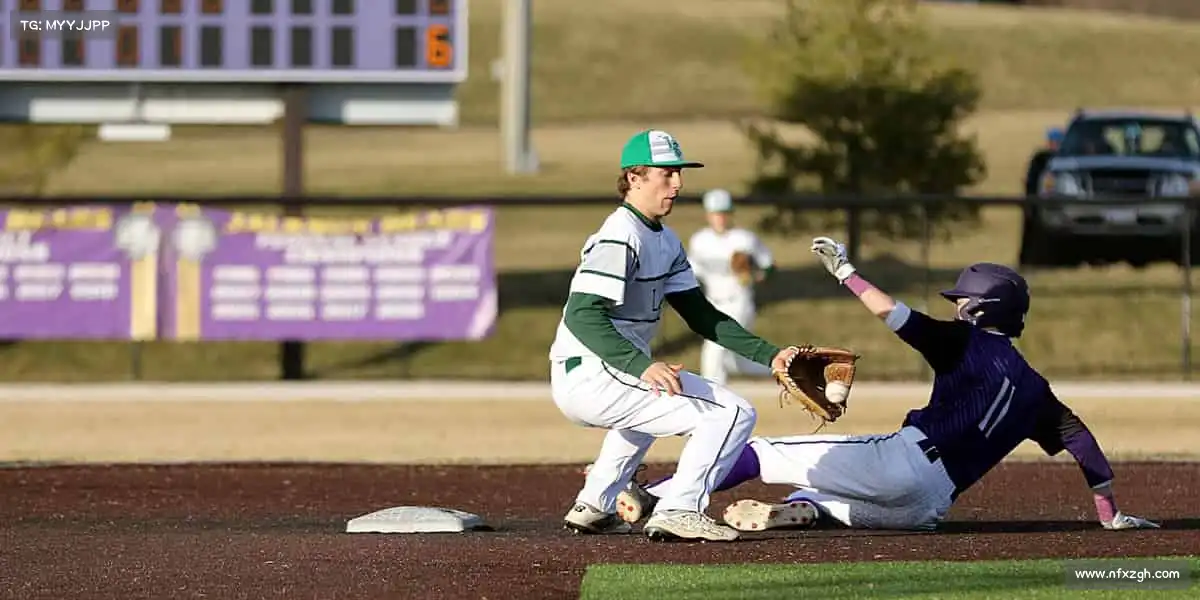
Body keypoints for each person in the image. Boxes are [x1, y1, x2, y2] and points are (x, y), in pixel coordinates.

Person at [614, 236, 1161, 532]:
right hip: (930, 507)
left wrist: (845, 273)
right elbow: (1079, 439)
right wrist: (1108, 512)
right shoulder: (1037, 390)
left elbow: (895, 315)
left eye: (963, 300)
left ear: (980, 308)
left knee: (758, 453)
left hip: (905, 461)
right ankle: (806, 509)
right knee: (822, 494)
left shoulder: (964, 342)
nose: (958, 305)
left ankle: (652, 495)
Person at [548, 129, 807, 542]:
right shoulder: (621, 235)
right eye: (666, 174)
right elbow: (582, 316)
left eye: (679, 173)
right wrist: (643, 366)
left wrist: (770, 355)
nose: (678, 183)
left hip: (601, 371)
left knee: (647, 413)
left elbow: (700, 314)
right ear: (634, 178)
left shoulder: (664, 239)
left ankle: (595, 504)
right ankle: (680, 508)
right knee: (733, 413)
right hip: (595, 371)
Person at [687, 189, 776, 385]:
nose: (720, 218)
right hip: (712, 303)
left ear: (731, 214)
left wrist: (757, 275)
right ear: (708, 214)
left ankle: (713, 402)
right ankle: (786, 369)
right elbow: (692, 274)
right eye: (716, 213)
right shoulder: (699, 241)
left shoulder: (744, 239)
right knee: (738, 363)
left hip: (739, 301)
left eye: (724, 213)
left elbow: (768, 265)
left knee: (714, 349)